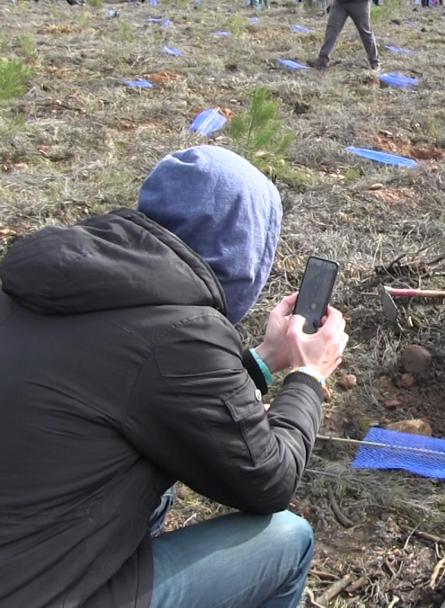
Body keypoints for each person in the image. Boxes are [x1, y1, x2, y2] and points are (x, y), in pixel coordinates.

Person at [0, 145, 349, 608]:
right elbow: (270, 481)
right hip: (40, 593)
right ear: (243, 250)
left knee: (155, 483)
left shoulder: (51, 283)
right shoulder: (181, 332)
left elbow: (154, 392)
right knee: (287, 540)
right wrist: (308, 375)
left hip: (26, 551)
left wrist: (265, 358)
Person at [313, 0, 380, 71]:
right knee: (331, 30)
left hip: (360, 3)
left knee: (365, 32)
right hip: (339, 3)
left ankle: (374, 63)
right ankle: (322, 61)